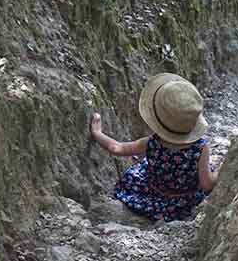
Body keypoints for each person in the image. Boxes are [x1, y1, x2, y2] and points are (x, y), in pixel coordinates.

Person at [90, 73, 218, 222]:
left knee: (141, 168)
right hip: (183, 201)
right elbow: (206, 184)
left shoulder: (151, 143)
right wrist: (222, 171)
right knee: (210, 168)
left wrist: (97, 133)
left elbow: (117, 148)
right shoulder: (201, 148)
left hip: (152, 193)